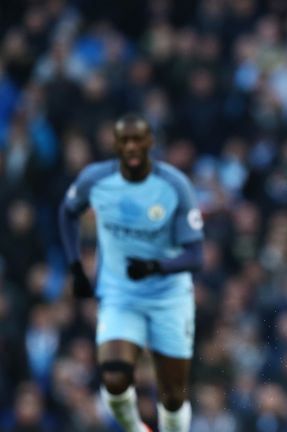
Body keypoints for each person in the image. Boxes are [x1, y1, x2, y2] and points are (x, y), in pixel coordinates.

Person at [59, 114, 204, 432]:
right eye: (124, 141)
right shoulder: (95, 180)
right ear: (116, 144)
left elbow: (196, 256)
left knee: (172, 395)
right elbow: (67, 212)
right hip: (120, 295)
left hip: (169, 296)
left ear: (150, 143)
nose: (132, 147)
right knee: (114, 375)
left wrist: (155, 266)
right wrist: (75, 268)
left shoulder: (175, 185)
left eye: (138, 140)